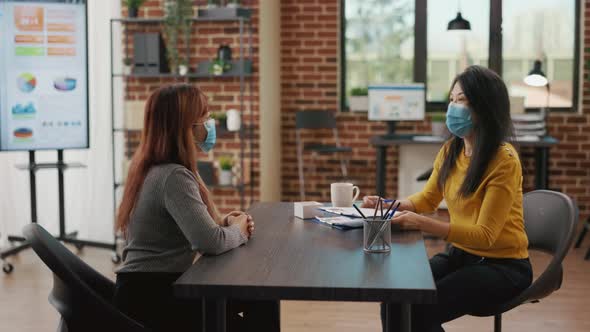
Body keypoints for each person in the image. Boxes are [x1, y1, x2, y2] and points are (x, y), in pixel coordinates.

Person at [362, 66, 533, 332]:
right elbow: (427, 200)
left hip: (504, 267)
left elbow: (485, 235)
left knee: (420, 309)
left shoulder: (504, 161)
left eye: (462, 100)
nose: (454, 107)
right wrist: (388, 205)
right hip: (462, 256)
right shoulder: (451, 150)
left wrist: (422, 223)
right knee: (395, 295)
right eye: (452, 99)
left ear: (485, 106)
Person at [113, 84, 274, 331]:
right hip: (154, 299)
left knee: (259, 299)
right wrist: (239, 230)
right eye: (205, 118)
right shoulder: (174, 176)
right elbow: (209, 242)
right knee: (263, 301)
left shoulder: (152, 168)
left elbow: (193, 228)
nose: (209, 125)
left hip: (143, 290)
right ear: (186, 127)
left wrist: (223, 224)